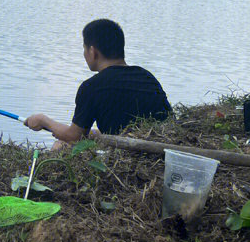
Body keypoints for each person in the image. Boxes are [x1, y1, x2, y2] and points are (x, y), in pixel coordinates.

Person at [25, 19, 171, 150]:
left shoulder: (92, 87)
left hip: (126, 158)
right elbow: (136, 124)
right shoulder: (146, 76)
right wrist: (97, 134)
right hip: (158, 151)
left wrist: (43, 120)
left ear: (93, 51)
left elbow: (74, 137)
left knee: (60, 146)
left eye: (84, 48)